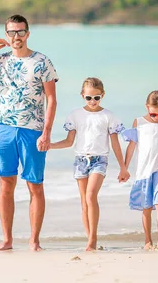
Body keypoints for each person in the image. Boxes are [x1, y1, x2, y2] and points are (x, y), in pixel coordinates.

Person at [0, 14, 59, 252]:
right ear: (6, 34)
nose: (16, 36)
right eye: (11, 32)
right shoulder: (1, 60)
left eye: (20, 31)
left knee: (34, 184)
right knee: (6, 183)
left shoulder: (42, 61)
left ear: (28, 33)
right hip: (5, 129)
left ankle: (34, 241)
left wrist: (46, 132)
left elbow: (51, 99)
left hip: (32, 131)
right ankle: (7, 240)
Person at [45, 77, 130, 251]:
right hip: (80, 160)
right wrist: (50, 146)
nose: (92, 101)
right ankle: (90, 239)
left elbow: (115, 143)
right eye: (89, 98)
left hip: (100, 160)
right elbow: (69, 141)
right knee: (84, 201)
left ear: (102, 95)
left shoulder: (108, 116)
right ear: (82, 95)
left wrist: (123, 167)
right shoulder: (75, 115)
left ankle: (92, 240)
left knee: (91, 196)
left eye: (96, 98)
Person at [122, 90, 158, 250]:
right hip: (143, 172)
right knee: (146, 207)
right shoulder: (139, 123)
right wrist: (124, 168)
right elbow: (131, 148)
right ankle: (148, 241)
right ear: (147, 107)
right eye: (154, 114)